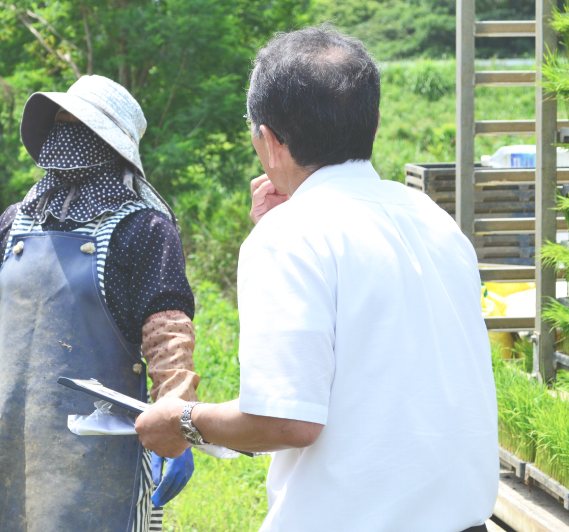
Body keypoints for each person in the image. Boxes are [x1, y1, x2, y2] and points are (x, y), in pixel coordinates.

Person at [134, 27, 498, 532]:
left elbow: (287, 420)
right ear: (371, 124)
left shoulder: (292, 235)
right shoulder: (431, 217)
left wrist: (182, 420)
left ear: (269, 141)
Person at [0, 74, 200, 532]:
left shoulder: (146, 231)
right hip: (10, 443)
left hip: (99, 453)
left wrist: (178, 425)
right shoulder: (15, 223)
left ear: (108, 143)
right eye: (60, 120)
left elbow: (168, 336)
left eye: (80, 124)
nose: (65, 131)